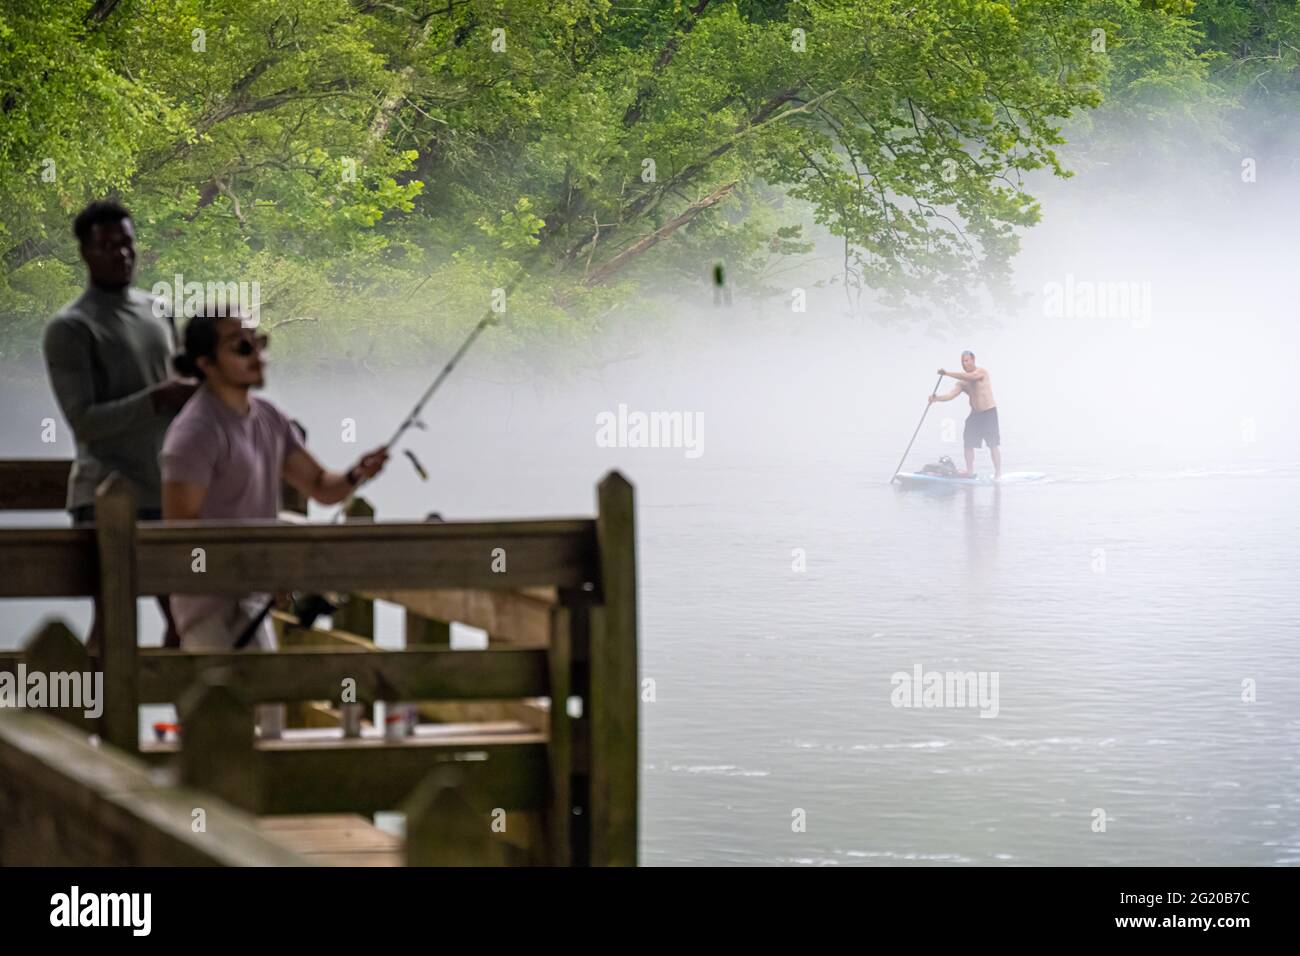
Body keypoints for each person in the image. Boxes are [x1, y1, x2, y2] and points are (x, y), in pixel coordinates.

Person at [160, 305, 388, 734]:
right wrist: (261, 565)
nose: (257, 355)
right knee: (220, 726)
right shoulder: (194, 434)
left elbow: (321, 486)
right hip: (205, 605)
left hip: (252, 600)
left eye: (258, 343)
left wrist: (358, 471)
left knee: (269, 720)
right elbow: (181, 539)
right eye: (241, 347)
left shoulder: (270, 419)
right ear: (206, 364)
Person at [43, 200, 194, 650]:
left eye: (127, 244)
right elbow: (84, 422)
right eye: (108, 246)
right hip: (105, 497)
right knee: (113, 621)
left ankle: (191, 719)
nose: (122, 254)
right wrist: (157, 399)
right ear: (86, 253)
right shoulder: (70, 328)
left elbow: (189, 388)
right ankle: (94, 720)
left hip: (166, 491)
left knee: (186, 619)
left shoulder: (159, 311)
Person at [929, 350, 1001, 479]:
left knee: (992, 444)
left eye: (967, 360)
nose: (964, 363)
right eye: (962, 361)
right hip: (975, 414)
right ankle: (969, 472)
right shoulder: (962, 383)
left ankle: (998, 473)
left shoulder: (981, 372)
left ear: (973, 360)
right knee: (968, 443)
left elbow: (970, 377)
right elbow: (951, 395)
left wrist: (947, 373)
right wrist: (936, 398)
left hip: (989, 413)